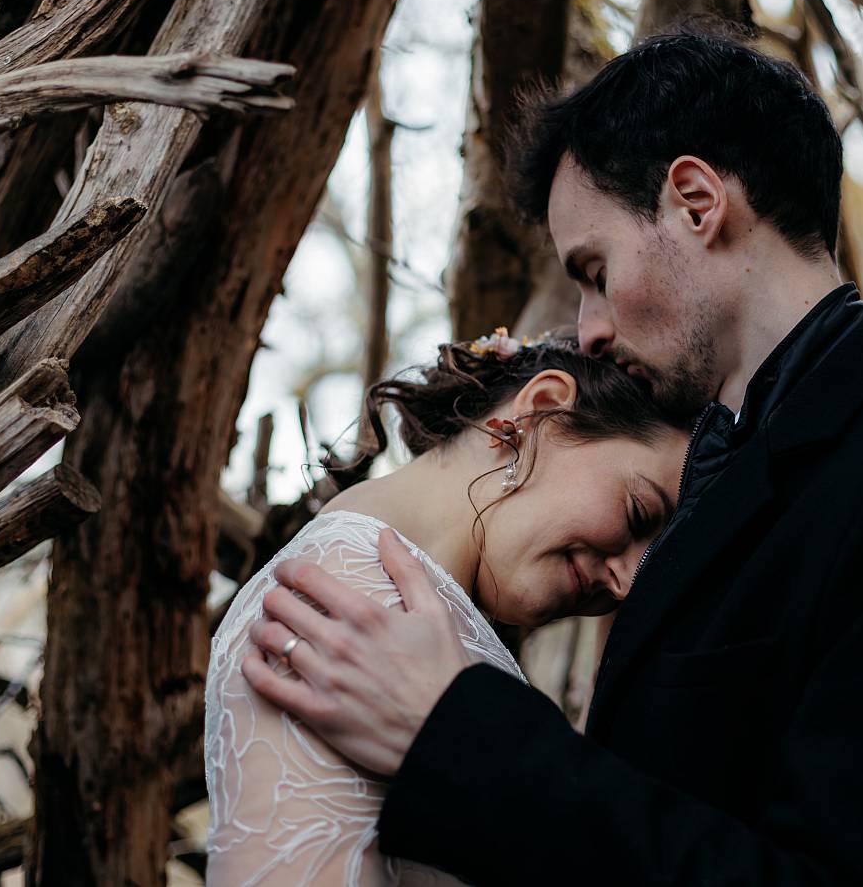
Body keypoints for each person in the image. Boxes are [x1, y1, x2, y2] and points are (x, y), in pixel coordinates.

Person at [243, 24, 863, 885]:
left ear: (695, 201)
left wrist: (463, 736)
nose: (587, 331)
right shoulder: (736, 474)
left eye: (595, 271)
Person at [204, 333, 692, 884]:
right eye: (637, 513)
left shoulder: (414, 619)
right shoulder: (347, 596)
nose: (627, 584)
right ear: (541, 411)